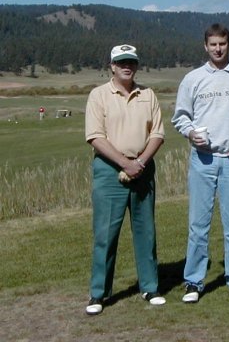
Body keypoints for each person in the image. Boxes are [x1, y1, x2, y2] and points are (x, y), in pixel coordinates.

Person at [171, 23, 229, 303]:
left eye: (222, 44)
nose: (218, 49)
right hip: (203, 160)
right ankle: (193, 282)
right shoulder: (193, 79)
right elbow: (181, 117)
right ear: (206, 46)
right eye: (213, 44)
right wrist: (191, 134)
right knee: (198, 225)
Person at [84, 44, 166, 315]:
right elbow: (95, 136)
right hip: (109, 170)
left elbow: (157, 134)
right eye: (121, 63)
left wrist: (139, 163)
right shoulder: (98, 95)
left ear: (137, 65)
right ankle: (98, 293)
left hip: (143, 169)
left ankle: (150, 287)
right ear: (112, 66)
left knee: (146, 231)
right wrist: (124, 163)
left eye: (131, 62)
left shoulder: (148, 94)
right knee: (105, 234)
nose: (126, 67)